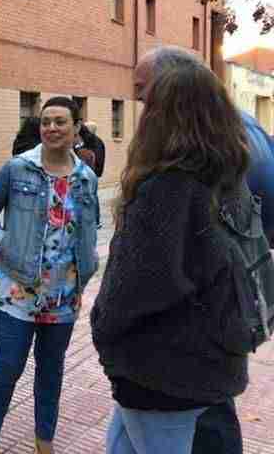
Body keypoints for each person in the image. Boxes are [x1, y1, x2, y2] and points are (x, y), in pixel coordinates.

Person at [91, 50, 253, 454]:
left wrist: (103, 332)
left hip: (161, 376)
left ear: (165, 114)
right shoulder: (230, 177)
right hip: (213, 365)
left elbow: (130, 291)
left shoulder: (166, 187)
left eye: (146, 101)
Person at [133, 46, 274, 454]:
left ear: (173, 87)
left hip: (190, 342)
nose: (140, 106)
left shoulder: (187, 158)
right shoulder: (244, 130)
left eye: (143, 93)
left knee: (203, 424)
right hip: (229, 324)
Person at [0, 97, 100, 454]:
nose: (51, 128)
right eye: (46, 122)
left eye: (60, 122)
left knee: (51, 372)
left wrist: (89, 262)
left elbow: (91, 225)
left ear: (76, 128)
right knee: (6, 369)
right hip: (17, 291)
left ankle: (44, 444)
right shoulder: (18, 169)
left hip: (64, 296)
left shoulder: (86, 178)